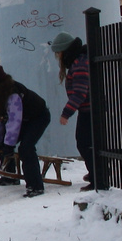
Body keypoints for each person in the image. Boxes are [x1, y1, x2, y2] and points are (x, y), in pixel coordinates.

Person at [0, 59, 51, 197]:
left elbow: (14, 121)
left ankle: (35, 185)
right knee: (2, 143)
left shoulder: (12, 94)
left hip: (38, 117)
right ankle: (10, 176)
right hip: (24, 119)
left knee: (26, 147)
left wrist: (9, 144)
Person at [50, 32, 95, 190]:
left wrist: (66, 113)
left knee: (85, 143)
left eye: (58, 53)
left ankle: (97, 176)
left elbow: (79, 93)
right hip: (88, 109)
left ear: (64, 52)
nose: (58, 57)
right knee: (85, 143)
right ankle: (95, 173)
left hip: (90, 110)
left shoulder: (80, 64)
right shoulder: (79, 61)